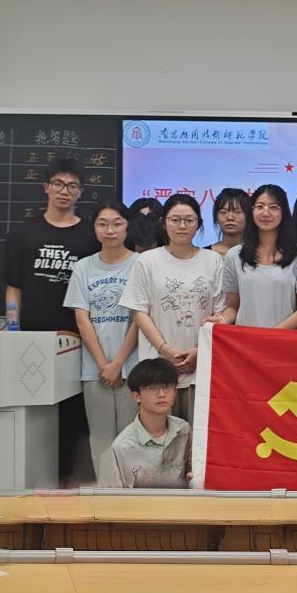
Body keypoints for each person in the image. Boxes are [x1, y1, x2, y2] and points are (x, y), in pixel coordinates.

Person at [4, 157, 99, 486]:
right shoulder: (23, 234)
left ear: (80, 192)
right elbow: (13, 286)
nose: (64, 191)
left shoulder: (90, 236)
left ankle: (68, 479)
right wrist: (13, 329)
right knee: (31, 410)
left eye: (72, 186)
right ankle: (31, 479)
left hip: (76, 339)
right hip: (30, 339)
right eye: (58, 184)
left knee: (73, 413)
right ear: (46, 187)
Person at [119, 194, 224, 424]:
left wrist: (199, 351)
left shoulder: (213, 260)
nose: (182, 226)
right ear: (163, 223)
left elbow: (221, 313)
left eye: (189, 220)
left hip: (202, 364)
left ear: (199, 224)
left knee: (198, 435)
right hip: (157, 365)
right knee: (160, 435)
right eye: (175, 220)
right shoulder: (147, 261)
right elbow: (139, 311)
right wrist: (164, 348)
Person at [63, 202, 140, 486]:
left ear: (127, 227)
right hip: (94, 368)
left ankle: (133, 493)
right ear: (94, 229)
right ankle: (109, 492)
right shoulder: (84, 267)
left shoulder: (141, 264)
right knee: (101, 436)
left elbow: (140, 318)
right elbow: (82, 319)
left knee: (132, 434)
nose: (110, 230)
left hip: (133, 366)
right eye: (103, 224)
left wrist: (118, 363)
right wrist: (104, 364)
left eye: (117, 223)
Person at [216, 184, 297, 330]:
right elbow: (233, 307)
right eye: (259, 207)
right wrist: (221, 320)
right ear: (251, 211)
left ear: (284, 212)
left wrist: (269, 336)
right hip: (245, 340)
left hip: (286, 339)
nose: (265, 213)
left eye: (273, 207)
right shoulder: (234, 255)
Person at [100, 358, 191, 489]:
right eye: (153, 388)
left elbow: (191, 471)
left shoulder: (184, 429)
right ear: (136, 396)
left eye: (167, 387)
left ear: (175, 391)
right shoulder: (121, 447)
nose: (162, 394)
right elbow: (114, 496)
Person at [208, 188, 249, 257]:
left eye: (237, 212)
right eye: (223, 212)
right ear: (216, 217)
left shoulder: (260, 254)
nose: (230, 217)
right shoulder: (204, 254)